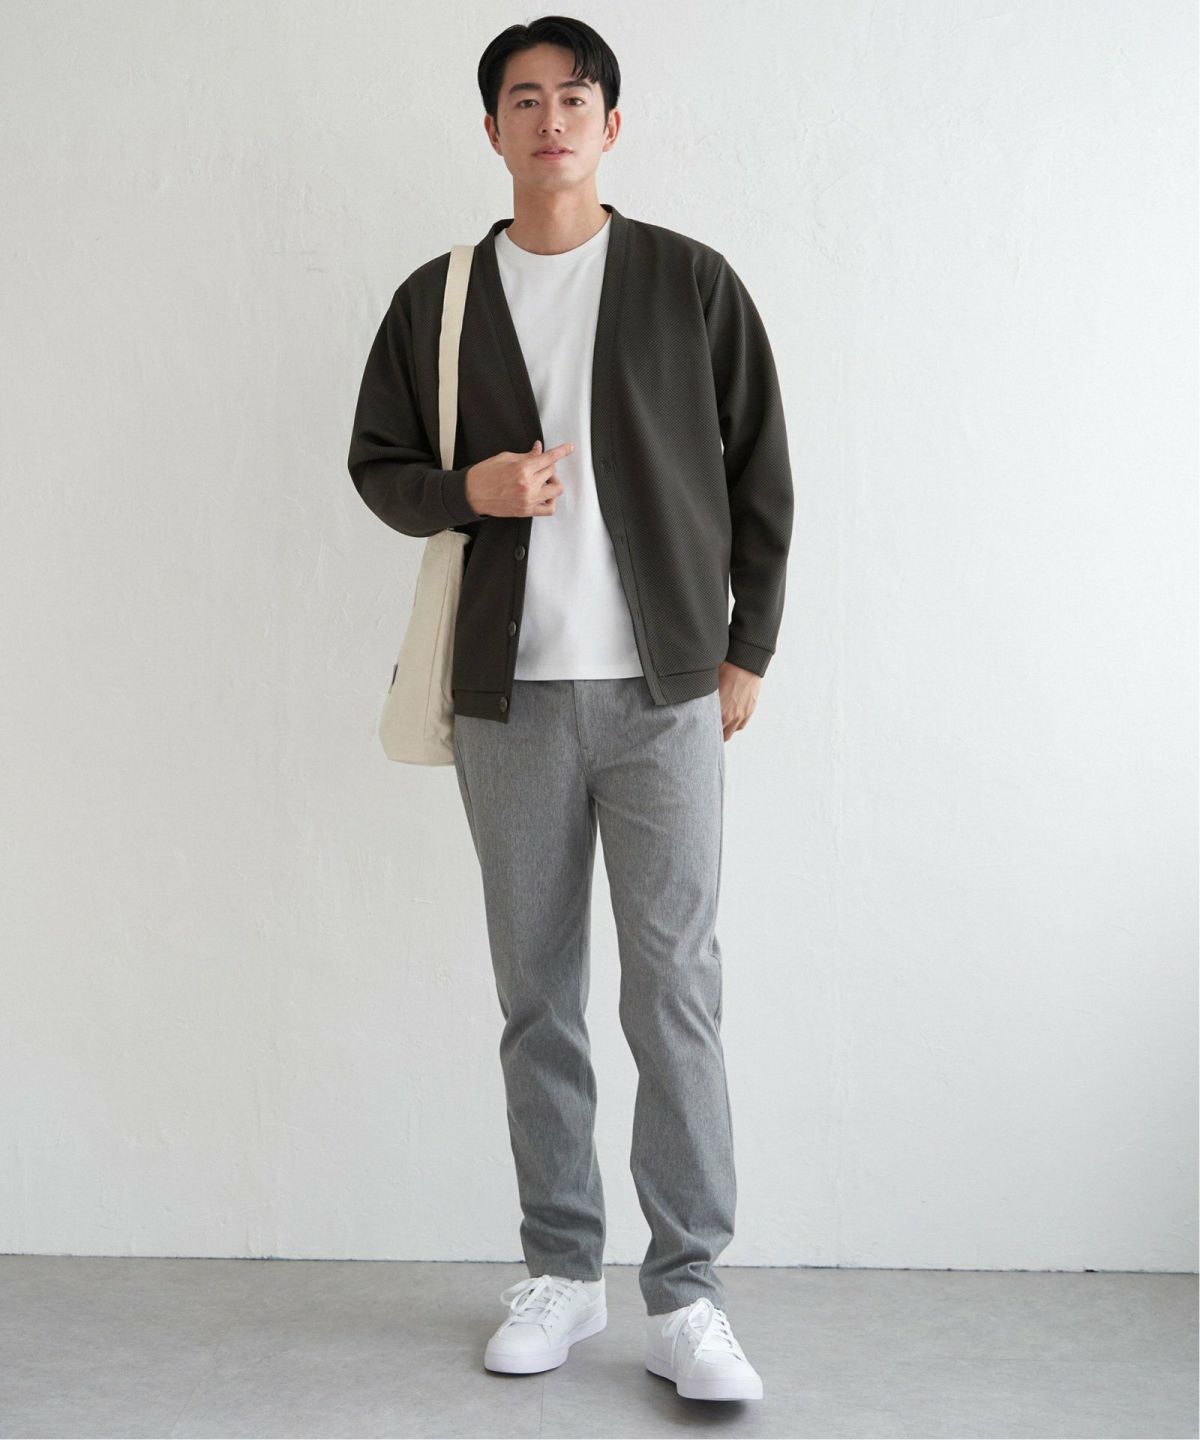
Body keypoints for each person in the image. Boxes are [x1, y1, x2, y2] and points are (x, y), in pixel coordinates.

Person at [347, 14, 793, 1405]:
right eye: (525, 100)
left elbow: (763, 472)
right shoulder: (440, 298)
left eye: (575, 97)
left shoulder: (688, 281)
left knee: (675, 994)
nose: (551, 120)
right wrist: (468, 492)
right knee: (537, 995)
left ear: (611, 123)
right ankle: (560, 1268)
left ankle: (689, 1293)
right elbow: (378, 463)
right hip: (508, 702)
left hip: (665, 694)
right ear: (491, 128)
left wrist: (747, 648)